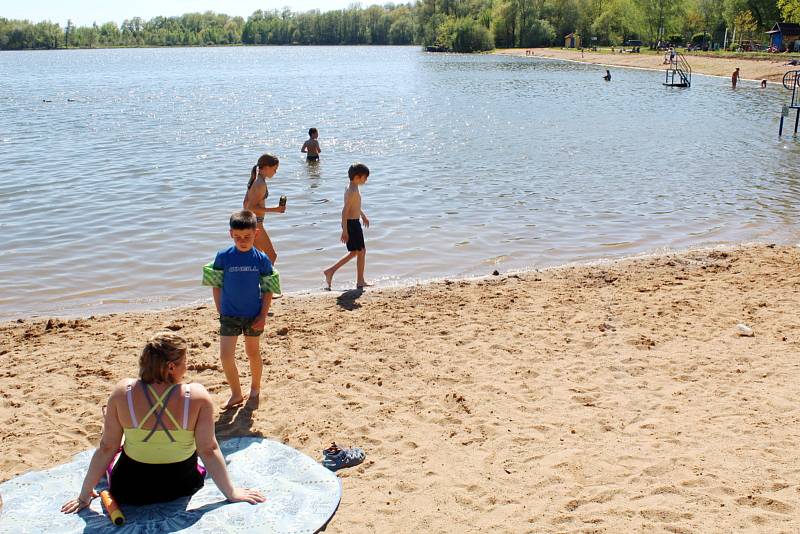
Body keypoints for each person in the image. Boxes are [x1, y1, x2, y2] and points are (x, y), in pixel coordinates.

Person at [60, 332, 265, 512]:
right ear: (171, 367)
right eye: (185, 360)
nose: (189, 365)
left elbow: (107, 447)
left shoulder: (123, 392)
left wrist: (84, 495)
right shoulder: (197, 396)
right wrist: (231, 492)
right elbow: (208, 449)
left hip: (130, 489)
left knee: (118, 448)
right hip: (181, 486)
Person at [212, 210, 274, 410]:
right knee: (225, 355)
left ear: (256, 233)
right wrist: (220, 309)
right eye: (238, 237)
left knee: (252, 352)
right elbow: (216, 285)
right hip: (229, 314)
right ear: (231, 234)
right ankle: (236, 393)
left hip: (253, 315)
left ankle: (255, 389)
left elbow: (268, 289)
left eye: (247, 236)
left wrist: (263, 315)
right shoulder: (223, 257)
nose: (242, 240)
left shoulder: (261, 259)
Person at [323, 163, 371, 290]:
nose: (366, 180)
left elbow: (354, 206)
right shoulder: (352, 191)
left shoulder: (351, 187)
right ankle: (360, 281)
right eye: (365, 177)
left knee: (356, 252)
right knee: (361, 251)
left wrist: (363, 216)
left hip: (353, 222)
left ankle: (330, 271)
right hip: (351, 223)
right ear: (357, 177)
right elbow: (345, 211)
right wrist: (345, 231)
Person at [243, 154, 285, 265]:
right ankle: (265, 282)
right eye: (274, 169)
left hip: (251, 223)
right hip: (256, 224)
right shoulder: (260, 184)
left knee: (258, 258)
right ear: (266, 167)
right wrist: (275, 209)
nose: (275, 172)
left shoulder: (255, 179)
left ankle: (255, 281)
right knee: (271, 256)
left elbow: (245, 203)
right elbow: (250, 207)